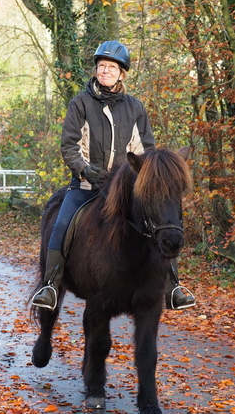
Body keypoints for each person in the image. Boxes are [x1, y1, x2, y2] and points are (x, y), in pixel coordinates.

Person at [32, 40, 196, 312]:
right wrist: (85, 169)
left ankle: (173, 286)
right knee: (61, 225)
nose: (105, 71)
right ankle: (50, 285)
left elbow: (147, 151)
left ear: (122, 74)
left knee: (163, 221)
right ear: (96, 70)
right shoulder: (80, 103)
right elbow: (69, 146)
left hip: (126, 188)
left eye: (111, 67)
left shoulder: (135, 107)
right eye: (101, 66)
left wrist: (139, 176)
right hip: (86, 184)